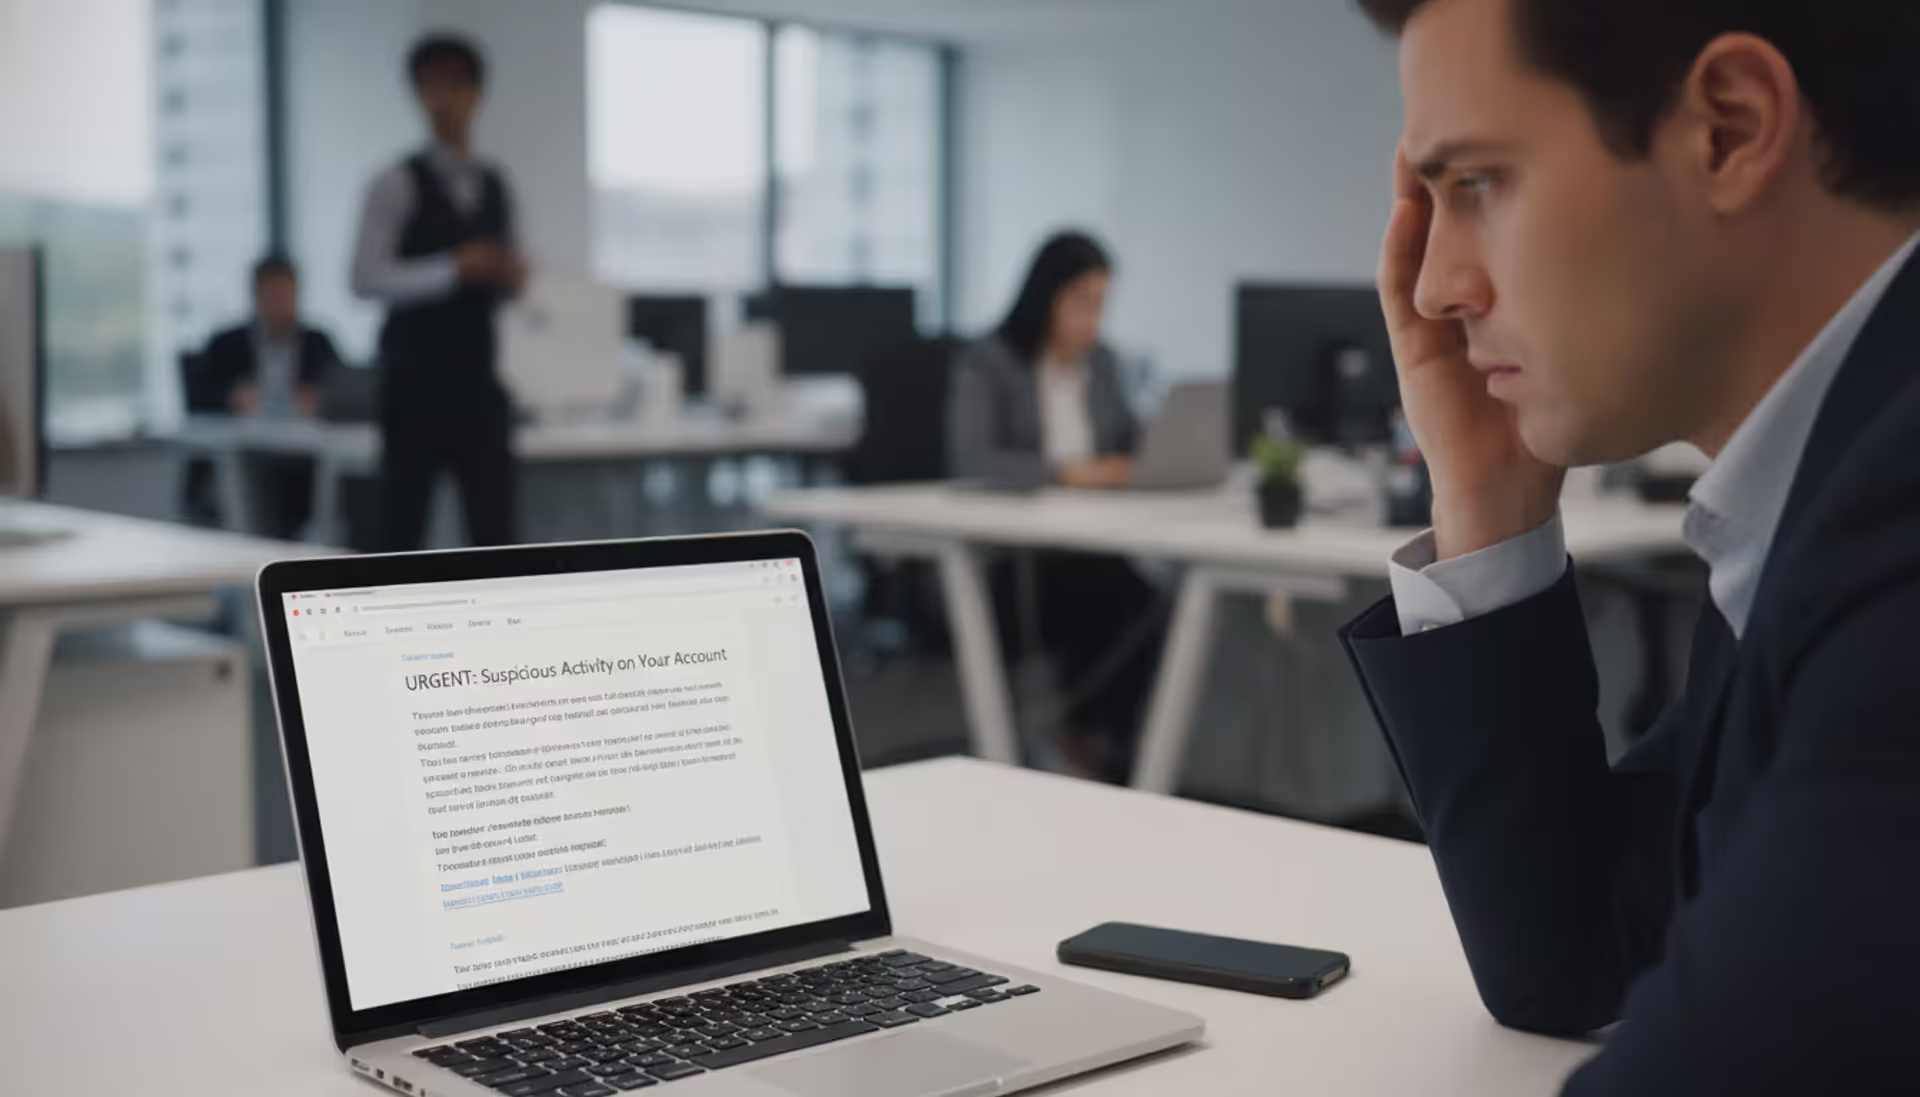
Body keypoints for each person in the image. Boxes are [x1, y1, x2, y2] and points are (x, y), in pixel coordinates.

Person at [1340, 0, 1920, 1091]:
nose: (1433, 288)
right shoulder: (1820, 488)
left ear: (1730, 130)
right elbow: (1579, 957)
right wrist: (1488, 504)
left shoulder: (1898, 521)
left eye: (1479, 182)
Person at [948, 232, 1166, 782]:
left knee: (1147, 604)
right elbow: (971, 458)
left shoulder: (1105, 364)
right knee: (1103, 604)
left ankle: (1107, 748)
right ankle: (1076, 743)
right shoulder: (991, 361)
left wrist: (1152, 458)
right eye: (1083, 303)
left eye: (1101, 305)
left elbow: (1130, 441)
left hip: (1091, 538)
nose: (1093, 319)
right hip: (1017, 551)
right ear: (1047, 296)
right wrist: (1066, 473)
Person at [352, 33, 526, 551]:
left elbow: (512, 275)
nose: (443, 98)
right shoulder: (395, 182)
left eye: (455, 85)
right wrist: (453, 269)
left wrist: (510, 276)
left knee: (495, 534)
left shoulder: (497, 182)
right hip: (414, 383)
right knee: (400, 531)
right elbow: (364, 277)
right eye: (430, 86)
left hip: (477, 377)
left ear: (477, 94)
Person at [203, 255, 343, 540]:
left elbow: (344, 391)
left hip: (305, 459)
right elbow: (199, 393)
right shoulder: (225, 344)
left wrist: (319, 400)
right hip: (247, 454)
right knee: (251, 480)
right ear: (256, 296)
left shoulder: (318, 341)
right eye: (274, 295)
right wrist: (232, 397)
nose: (283, 304)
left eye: (289, 295)